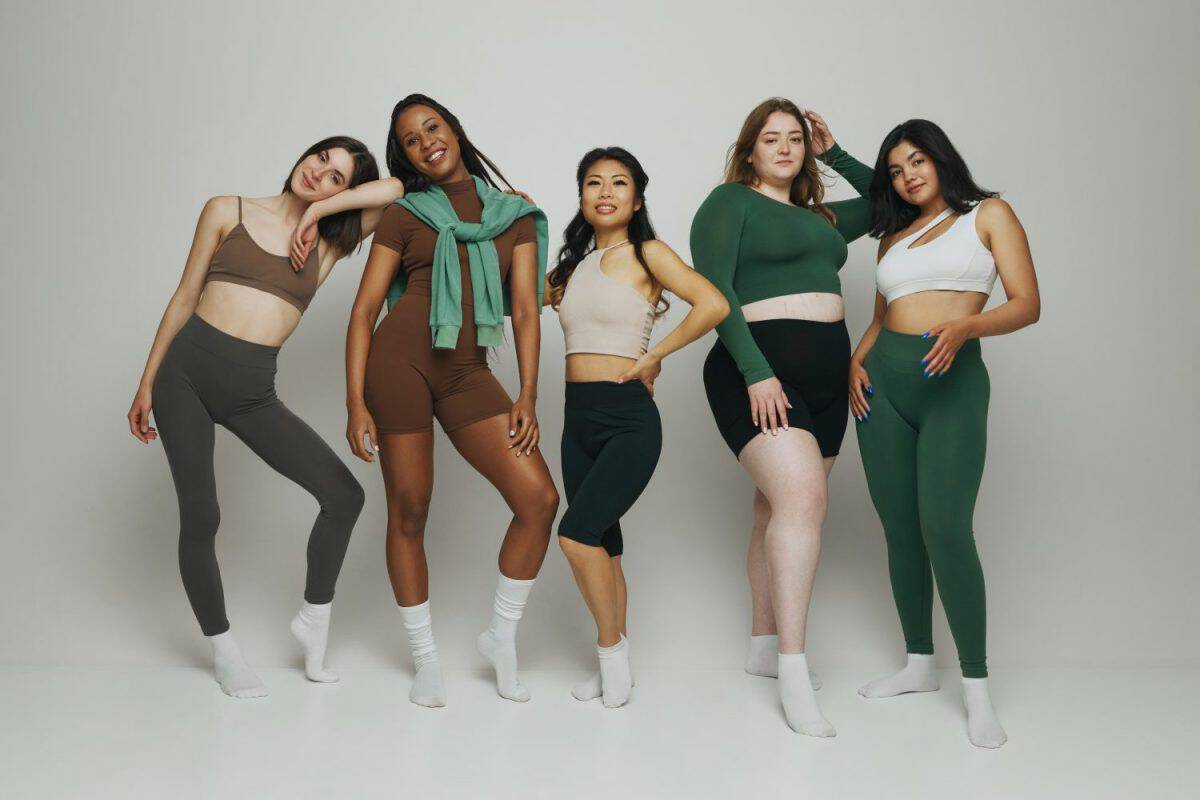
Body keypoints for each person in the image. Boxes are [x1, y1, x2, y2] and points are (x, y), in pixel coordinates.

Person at [128, 136, 403, 698]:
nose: (320, 175)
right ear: (304, 154)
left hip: (252, 392)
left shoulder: (326, 247)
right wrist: (147, 380)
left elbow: (397, 190)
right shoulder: (226, 209)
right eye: (321, 159)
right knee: (202, 516)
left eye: (337, 179)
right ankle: (225, 650)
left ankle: (313, 621)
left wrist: (321, 213)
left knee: (344, 496)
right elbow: (184, 296)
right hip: (184, 377)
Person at [345, 94, 557, 708]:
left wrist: (526, 392)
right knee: (409, 511)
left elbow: (525, 310)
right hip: (399, 365)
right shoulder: (404, 214)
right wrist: (356, 402)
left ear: (455, 130)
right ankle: (425, 659)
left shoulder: (513, 214)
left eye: (432, 128)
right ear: (403, 154)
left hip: (467, 371)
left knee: (538, 499)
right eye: (410, 139)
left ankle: (501, 636)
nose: (425, 142)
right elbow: (363, 312)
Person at [851, 119, 1040, 748]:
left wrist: (967, 328)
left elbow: (1026, 303)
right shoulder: (892, 241)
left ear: (941, 159)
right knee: (900, 527)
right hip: (883, 388)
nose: (908, 176)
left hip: (952, 384)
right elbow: (882, 317)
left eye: (917, 161)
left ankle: (978, 689)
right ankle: (918, 664)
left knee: (946, 527)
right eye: (896, 169)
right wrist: (857, 358)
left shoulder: (988, 214)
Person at [690, 98, 874, 736]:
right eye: (772, 139)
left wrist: (838, 151)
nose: (786, 148)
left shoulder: (823, 218)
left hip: (828, 378)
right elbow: (714, 294)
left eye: (796, 138)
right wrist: (756, 370)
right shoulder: (729, 204)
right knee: (802, 500)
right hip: (759, 370)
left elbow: (893, 201)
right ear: (750, 150)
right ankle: (795, 669)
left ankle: (764, 647)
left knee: (776, 507)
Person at [546, 147, 728, 707]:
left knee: (575, 537)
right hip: (576, 419)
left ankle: (611, 658)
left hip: (627, 419)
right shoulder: (570, 270)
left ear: (637, 198)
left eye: (618, 183)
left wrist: (656, 357)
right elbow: (519, 307)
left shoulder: (648, 253)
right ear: (581, 196)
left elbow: (713, 304)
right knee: (604, 544)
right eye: (593, 183)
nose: (605, 192)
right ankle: (614, 665)